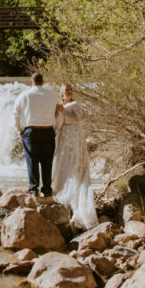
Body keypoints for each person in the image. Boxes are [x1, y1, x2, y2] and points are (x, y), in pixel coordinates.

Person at [52, 84, 98, 229]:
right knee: (63, 163)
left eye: (71, 89)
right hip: (63, 136)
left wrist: (63, 112)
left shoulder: (76, 104)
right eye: (67, 90)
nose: (70, 91)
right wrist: (56, 115)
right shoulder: (60, 105)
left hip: (74, 135)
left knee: (74, 164)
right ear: (62, 93)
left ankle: (76, 199)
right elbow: (58, 124)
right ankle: (61, 189)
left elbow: (77, 119)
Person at [13, 72, 59, 201]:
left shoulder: (24, 95)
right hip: (48, 130)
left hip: (30, 131)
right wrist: (56, 128)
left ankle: (34, 191)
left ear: (31, 82)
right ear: (43, 82)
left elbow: (16, 114)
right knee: (47, 162)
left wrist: (19, 130)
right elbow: (58, 112)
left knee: (32, 161)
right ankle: (47, 191)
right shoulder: (52, 95)